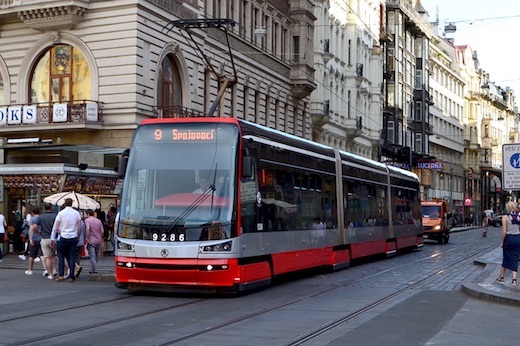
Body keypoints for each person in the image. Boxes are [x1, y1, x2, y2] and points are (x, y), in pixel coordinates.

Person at [54, 198, 82, 282]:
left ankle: (61, 275)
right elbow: (79, 227)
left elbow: (57, 226)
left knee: (61, 256)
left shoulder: (61, 213)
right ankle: (71, 276)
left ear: (65, 203)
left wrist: (60, 233)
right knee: (72, 256)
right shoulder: (76, 213)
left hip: (64, 236)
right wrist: (78, 236)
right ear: (72, 204)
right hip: (73, 236)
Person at [497, 201, 520, 287]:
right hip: (517, 238)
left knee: (506, 258)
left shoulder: (505, 217)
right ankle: (514, 279)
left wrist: (502, 242)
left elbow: (504, 231)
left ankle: (502, 277)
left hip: (509, 239)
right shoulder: (518, 217)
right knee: (515, 258)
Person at [34, 203, 57, 279]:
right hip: (54, 238)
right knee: (54, 255)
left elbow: (34, 227)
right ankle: (54, 270)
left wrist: (38, 232)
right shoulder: (55, 216)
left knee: (47, 257)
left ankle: (50, 274)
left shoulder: (41, 217)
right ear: (52, 208)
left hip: (44, 238)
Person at [84, 209, 104, 274]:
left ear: (88, 214)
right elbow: (102, 231)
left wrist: (87, 238)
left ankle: (95, 270)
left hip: (91, 240)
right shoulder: (98, 221)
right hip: (98, 240)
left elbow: (88, 228)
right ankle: (94, 268)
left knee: (92, 256)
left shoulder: (87, 220)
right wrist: (100, 237)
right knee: (96, 255)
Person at [25, 206, 42, 275]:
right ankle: (46, 269)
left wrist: (30, 239)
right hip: (42, 238)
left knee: (32, 255)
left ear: (32, 212)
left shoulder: (32, 219)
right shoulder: (42, 218)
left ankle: (30, 269)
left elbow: (32, 229)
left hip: (34, 238)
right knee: (43, 255)